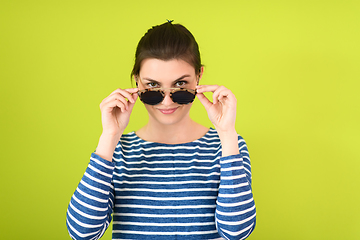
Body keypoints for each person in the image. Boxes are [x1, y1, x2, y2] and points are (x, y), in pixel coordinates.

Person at [66, 20, 256, 240]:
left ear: (199, 77)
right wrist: (109, 136)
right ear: (137, 82)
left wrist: (226, 133)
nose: (167, 102)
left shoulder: (227, 145)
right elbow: (82, 233)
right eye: (153, 88)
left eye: (180, 86)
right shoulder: (117, 151)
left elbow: (237, 232)